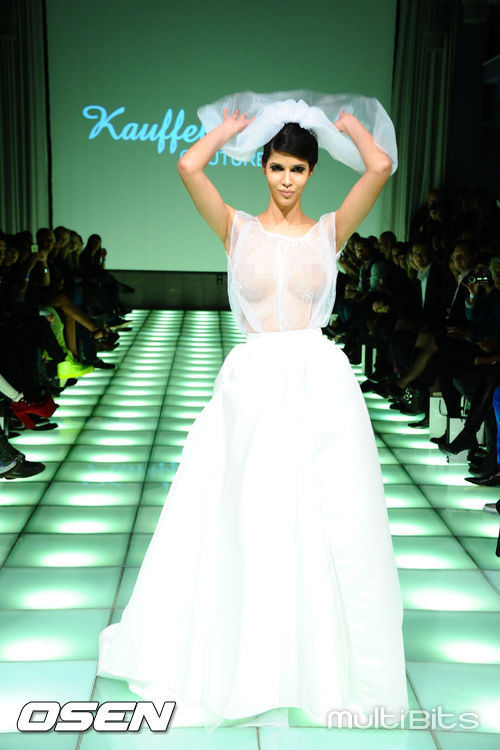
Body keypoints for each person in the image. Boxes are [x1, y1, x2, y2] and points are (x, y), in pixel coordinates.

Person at [97, 91, 408, 732]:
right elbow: (188, 167)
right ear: (263, 167)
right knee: (245, 514)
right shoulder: (236, 228)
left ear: (312, 173)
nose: (287, 179)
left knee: (325, 518)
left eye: (298, 169)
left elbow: (379, 167)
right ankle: (246, 657)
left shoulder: (329, 232)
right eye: (277, 166)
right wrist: (228, 130)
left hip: (319, 383)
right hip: (253, 383)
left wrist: (348, 125)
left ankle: (312, 662)